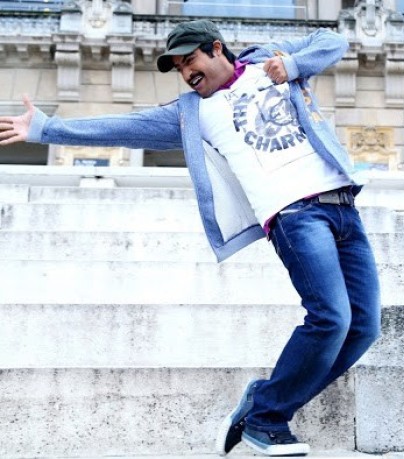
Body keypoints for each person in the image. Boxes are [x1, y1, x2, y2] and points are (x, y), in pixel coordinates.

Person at [0, 19, 381, 457]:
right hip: (295, 215)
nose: (186, 73)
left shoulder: (267, 61)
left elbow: (333, 40)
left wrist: (292, 65)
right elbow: (123, 126)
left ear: (217, 48)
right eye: (178, 68)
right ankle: (266, 419)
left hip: (343, 206)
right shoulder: (191, 113)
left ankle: (265, 403)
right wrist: (47, 129)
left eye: (189, 60)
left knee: (364, 327)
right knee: (331, 318)